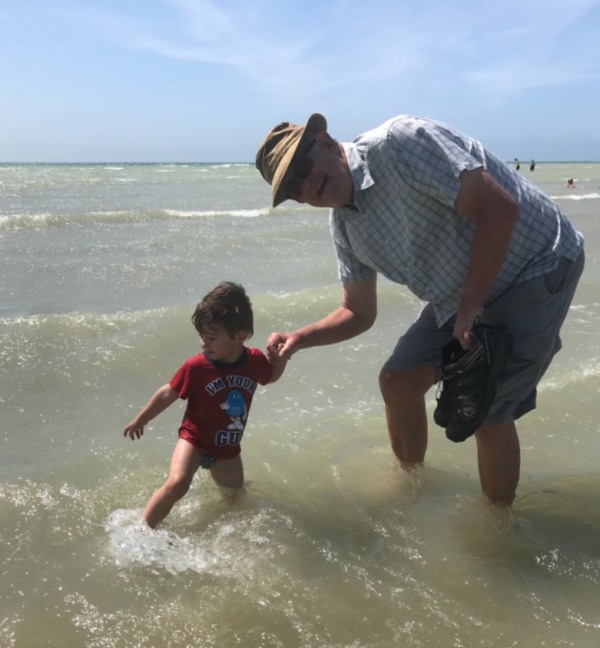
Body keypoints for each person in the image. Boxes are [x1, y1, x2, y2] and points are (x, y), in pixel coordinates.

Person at [255, 113, 584, 507]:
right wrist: (297, 339)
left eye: (303, 169)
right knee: (396, 381)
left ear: (324, 142)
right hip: (463, 293)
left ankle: (497, 528)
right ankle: (412, 488)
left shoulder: (399, 144)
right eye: (292, 188)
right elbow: (358, 312)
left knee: (489, 407)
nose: (305, 185)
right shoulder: (344, 226)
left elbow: (499, 209)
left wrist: (471, 304)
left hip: (536, 262)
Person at [123, 281, 287, 528]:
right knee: (178, 483)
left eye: (211, 337)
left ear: (240, 336)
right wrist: (142, 419)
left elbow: (269, 377)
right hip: (194, 439)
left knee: (234, 496)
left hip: (228, 446)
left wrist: (281, 360)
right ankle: (143, 528)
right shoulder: (197, 367)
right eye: (201, 336)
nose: (203, 343)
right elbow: (169, 392)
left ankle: (217, 530)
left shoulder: (253, 361)